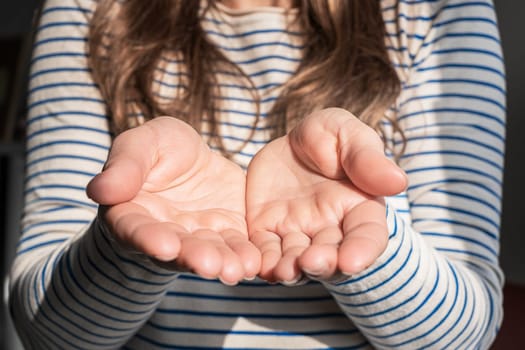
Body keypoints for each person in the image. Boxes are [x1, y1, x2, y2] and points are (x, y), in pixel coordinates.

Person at [8, 0, 505, 348]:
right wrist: (122, 252)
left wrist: (371, 241)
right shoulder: (91, 8)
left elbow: (466, 336)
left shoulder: (434, 9)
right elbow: (45, 334)